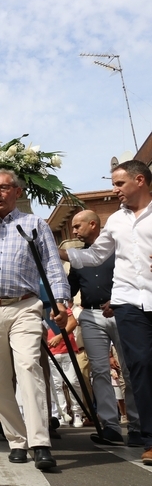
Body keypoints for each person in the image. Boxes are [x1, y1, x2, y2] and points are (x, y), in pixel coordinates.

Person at [0, 168, 69, 470]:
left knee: (30, 366)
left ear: (17, 192)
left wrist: (61, 300)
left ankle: (40, 441)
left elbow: (53, 265)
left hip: (24, 307)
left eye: (4, 188)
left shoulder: (33, 224)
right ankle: (16, 439)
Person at [60, 160, 152, 465]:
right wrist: (54, 250)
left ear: (140, 180)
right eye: (113, 184)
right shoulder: (114, 221)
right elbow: (97, 254)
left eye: (119, 184)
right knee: (138, 366)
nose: (115, 191)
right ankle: (148, 438)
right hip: (127, 302)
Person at [64, 209, 142, 446]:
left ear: (93, 225)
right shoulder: (79, 259)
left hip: (120, 313)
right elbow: (70, 290)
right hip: (90, 315)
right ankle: (111, 426)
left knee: (129, 370)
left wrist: (118, 300)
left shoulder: (118, 253)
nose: (74, 231)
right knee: (99, 371)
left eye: (78, 226)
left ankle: (138, 426)